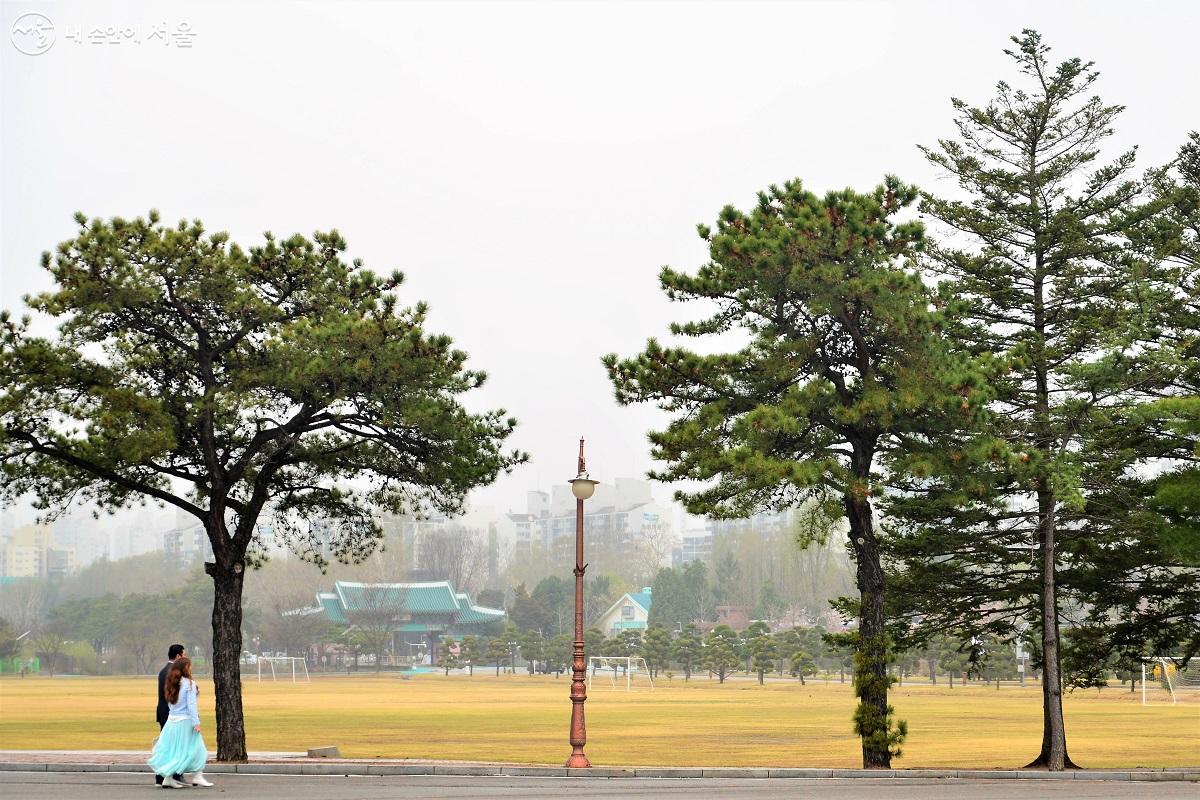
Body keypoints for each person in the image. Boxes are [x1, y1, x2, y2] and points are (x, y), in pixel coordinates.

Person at [149, 656, 213, 788]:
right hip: (185, 722)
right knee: (198, 749)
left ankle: (168, 778)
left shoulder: (172, 683)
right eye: (189, 666)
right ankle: (197, 776)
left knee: (174, 750)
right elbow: (191, 706)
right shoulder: (189, 684)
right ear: (185, 668)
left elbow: (171, 705)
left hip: (172, 722)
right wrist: (196, 723)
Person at [155, 644, 186, 787]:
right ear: (178, 656)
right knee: (174, 746)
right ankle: (174, 775)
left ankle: (161, 777)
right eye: (183, 655)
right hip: (171, 714)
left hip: (163, 712)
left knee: (166, 746)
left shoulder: (163, 671)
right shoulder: (174, 672)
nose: (185, 657)